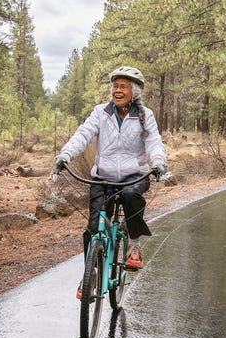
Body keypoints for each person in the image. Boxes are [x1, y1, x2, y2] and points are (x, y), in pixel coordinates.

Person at [54, 66, 168, 299]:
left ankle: (134, 245)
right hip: (103, 177)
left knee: (130, 196)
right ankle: (91, 272)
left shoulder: (145, 115)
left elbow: (154, 142)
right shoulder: (100, 112)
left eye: (123, 86)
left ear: (134, 91)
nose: (117, 90)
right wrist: (66, 154)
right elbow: (83, 134)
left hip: (134, 176)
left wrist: (158, 162)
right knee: (93, 226)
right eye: (115, 86)